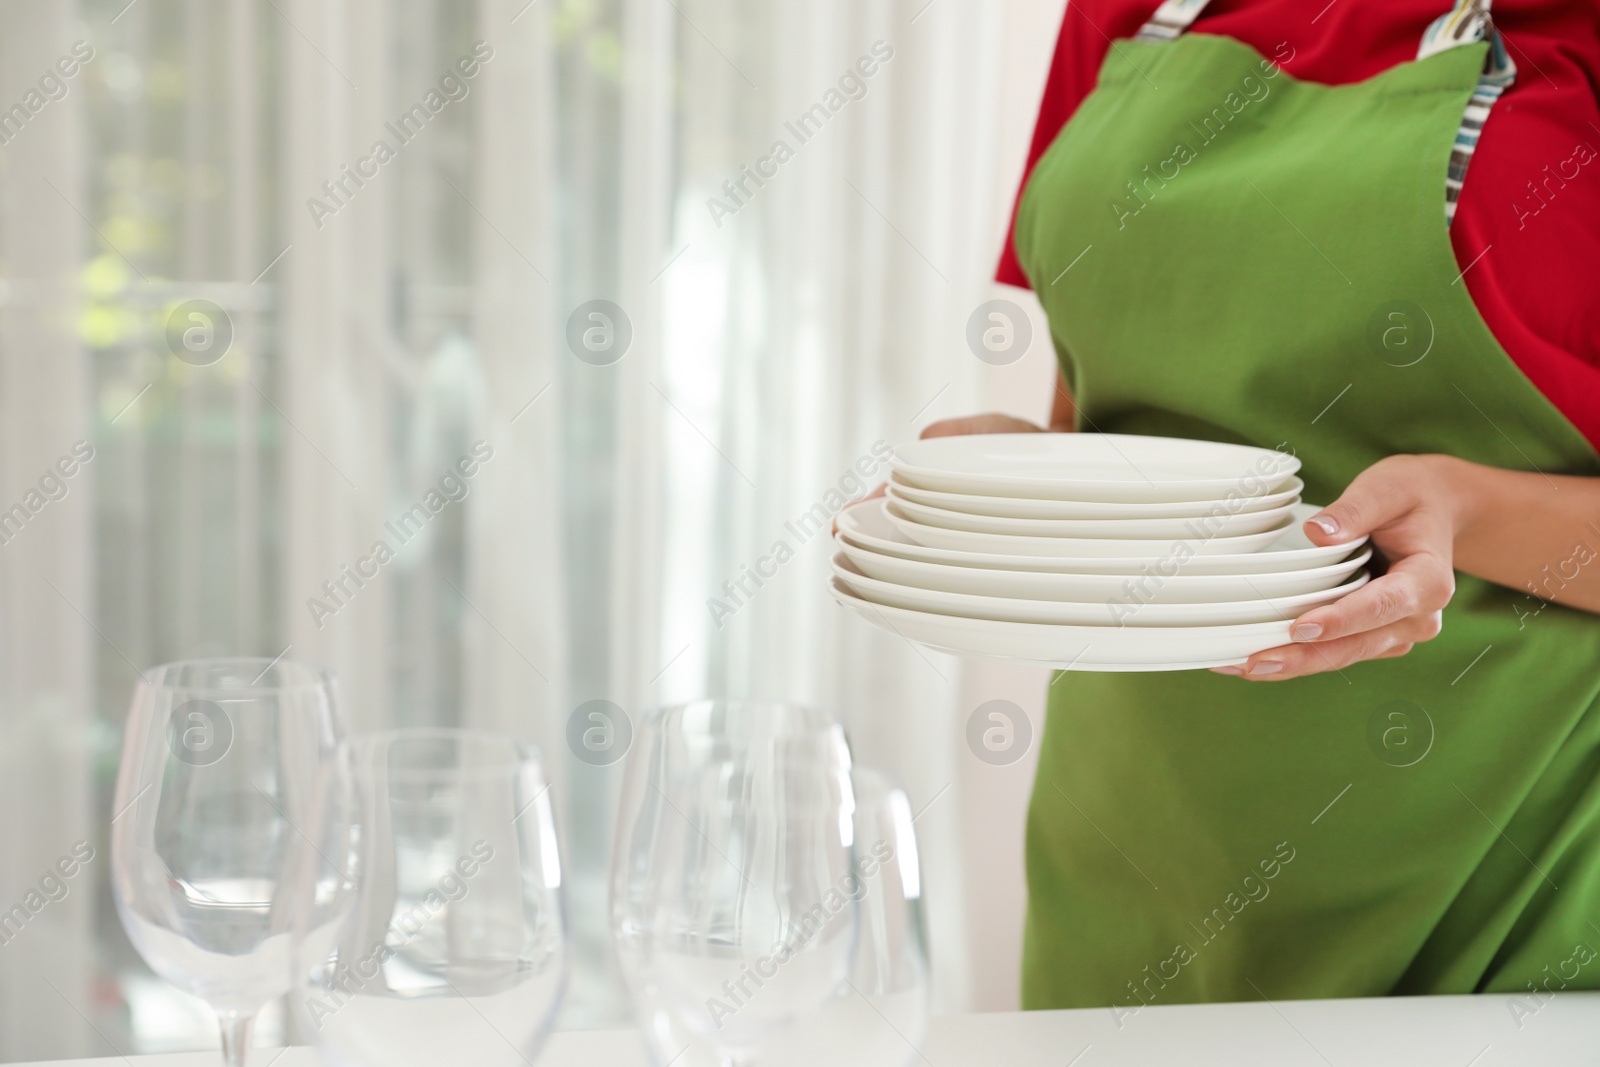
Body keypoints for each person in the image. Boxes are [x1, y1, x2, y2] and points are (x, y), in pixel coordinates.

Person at [927, 0, 1600, 1012]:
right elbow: (1097, 409)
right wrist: (1029, 481)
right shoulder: (1126, 14)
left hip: (1498, 904)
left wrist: (1468, 507)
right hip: (1125, 870)